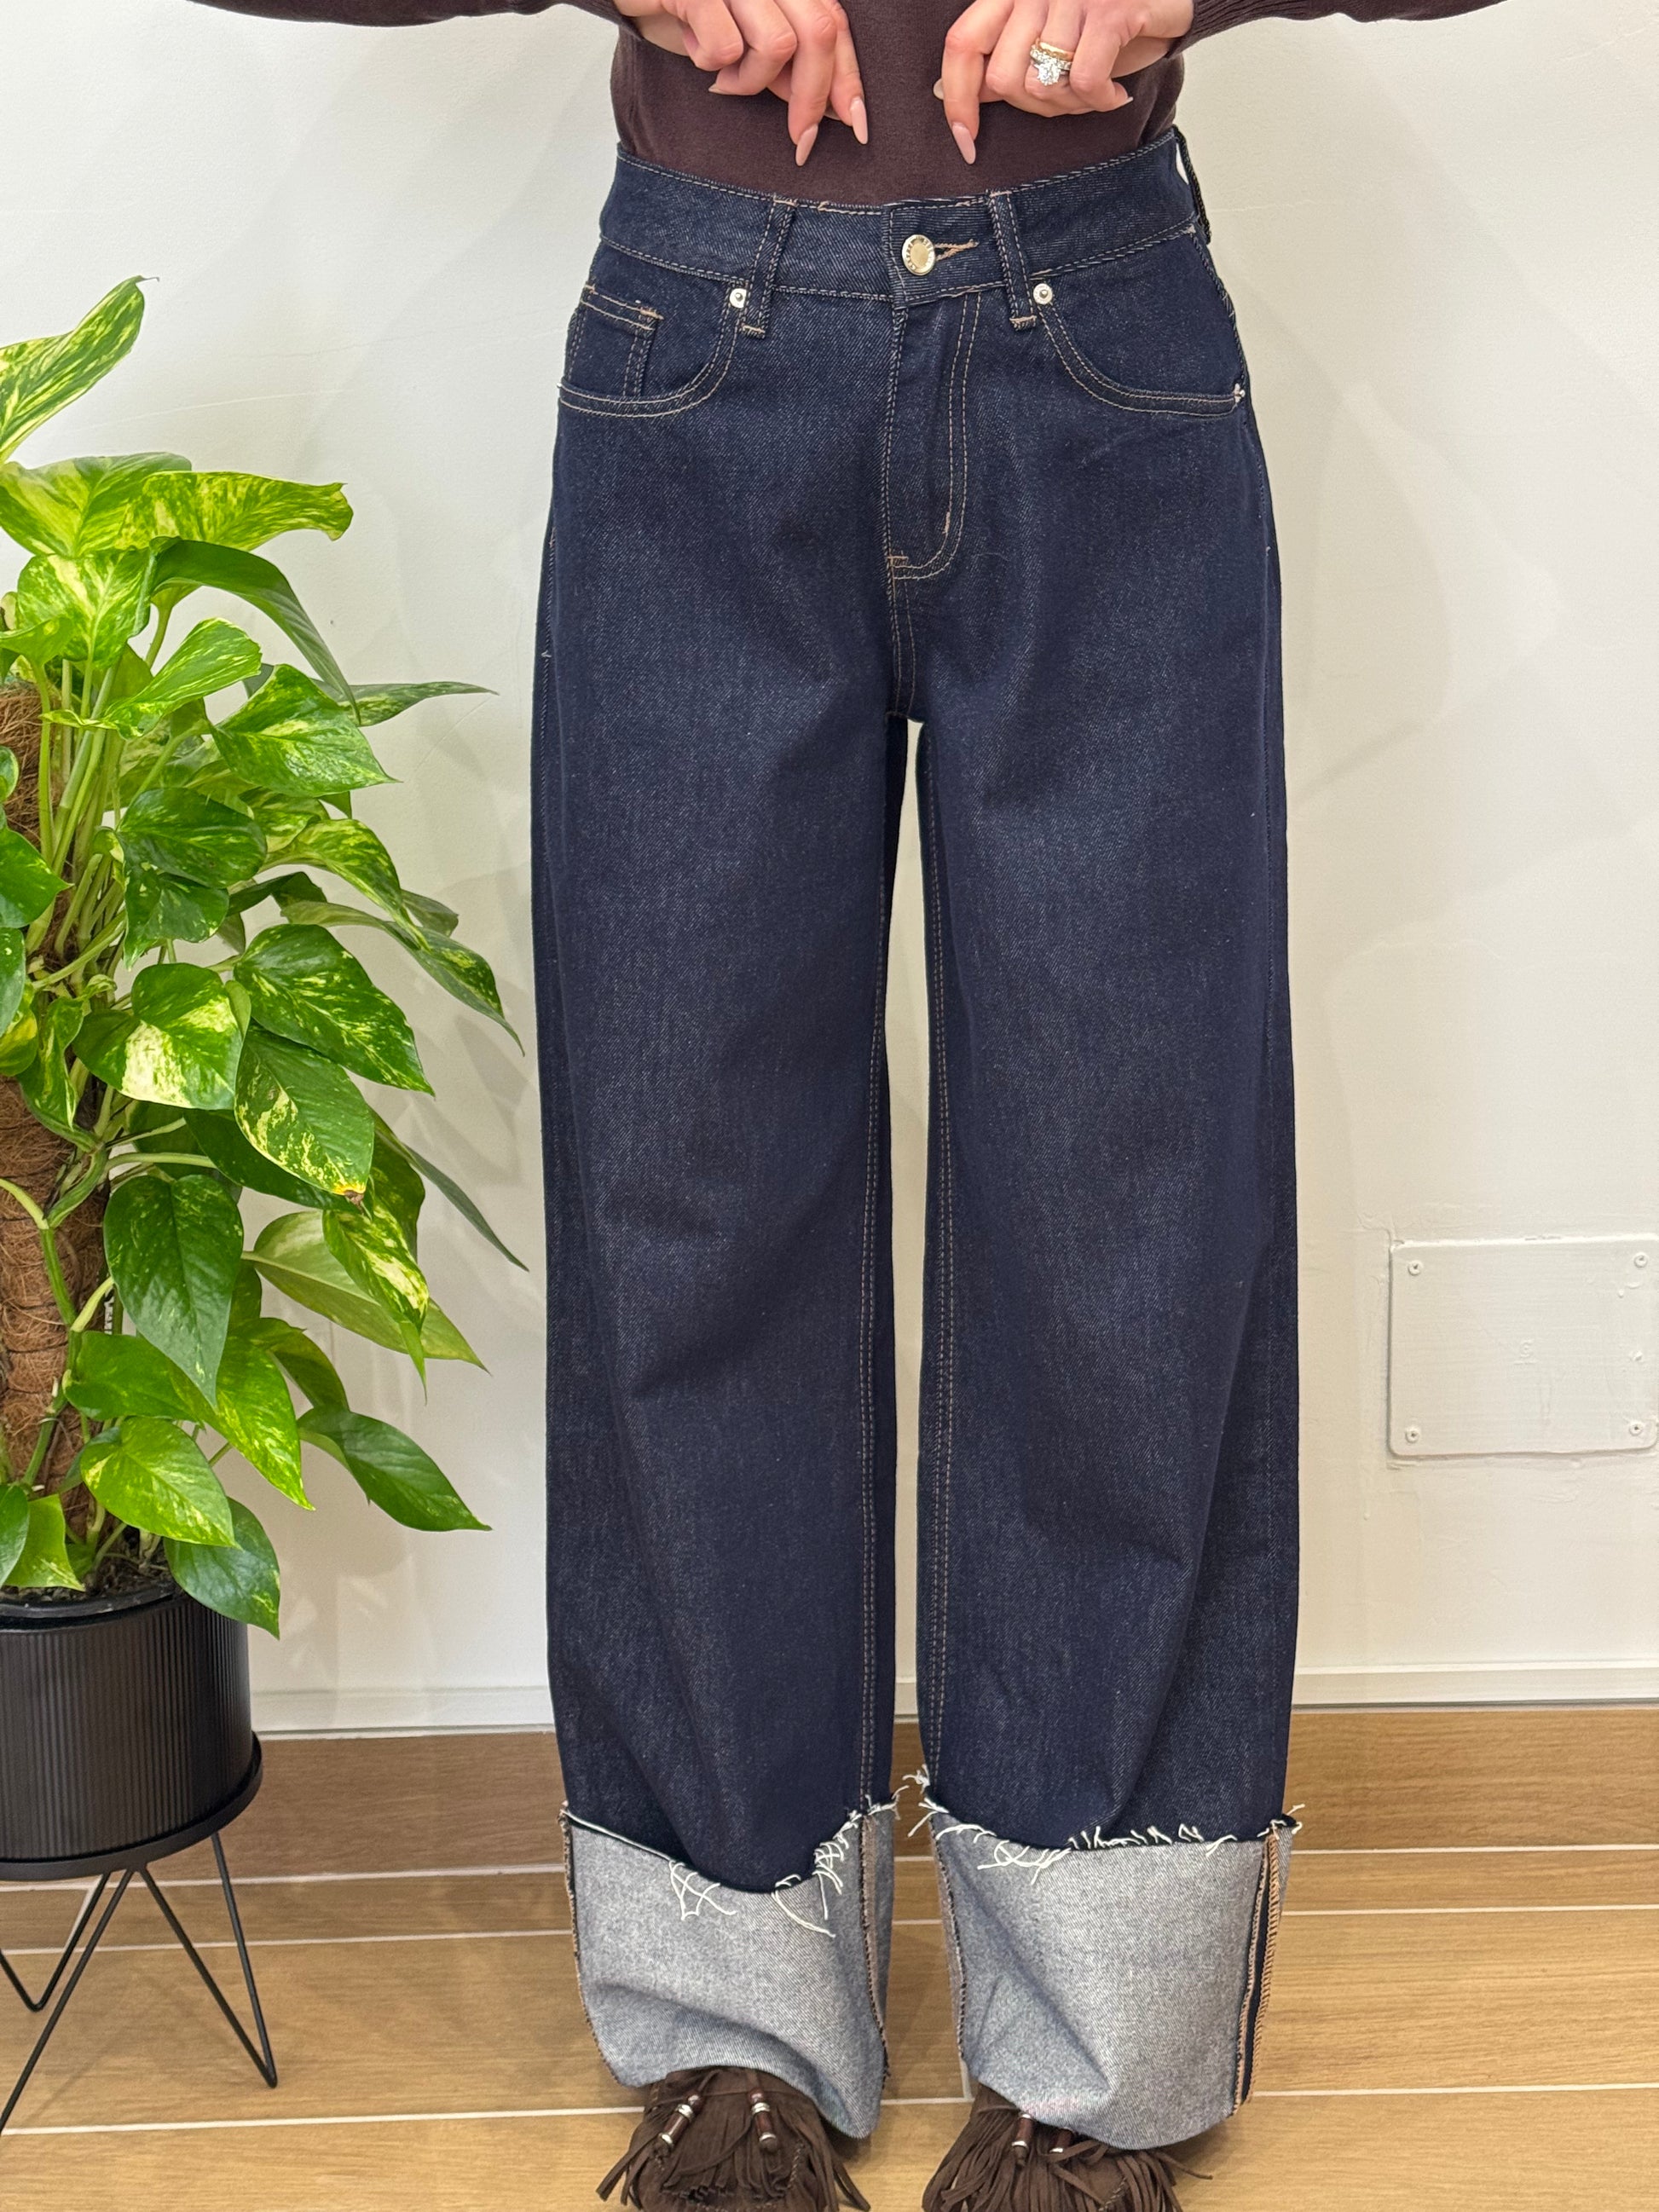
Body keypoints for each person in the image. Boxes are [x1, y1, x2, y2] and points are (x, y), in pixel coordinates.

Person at [193, 3, 1501, 2204]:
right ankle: (730, 2025)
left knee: (1126, 1197)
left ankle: (1095, 2052)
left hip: (1103, 333)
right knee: (687, 1197)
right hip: (697, 344)